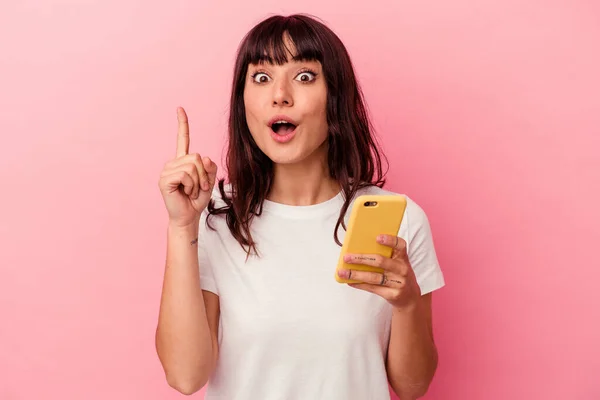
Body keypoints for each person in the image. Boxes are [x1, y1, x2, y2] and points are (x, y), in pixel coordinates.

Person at [156, 14, 445, 400]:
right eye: (261, 77)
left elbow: (413, 387)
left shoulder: (400, 218)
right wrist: (181, 227)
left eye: (304, 76)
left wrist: (408, 304)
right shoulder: (216, 217)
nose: (280, 94)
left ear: (336, 97)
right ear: (243, 103)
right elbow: (184, 376)